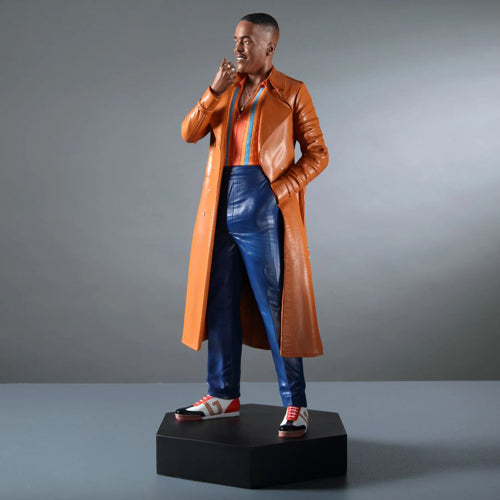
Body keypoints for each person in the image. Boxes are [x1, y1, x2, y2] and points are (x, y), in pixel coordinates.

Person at [175, 12, 329, 438]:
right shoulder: (225, 89)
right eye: (235, 39)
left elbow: (318, 153)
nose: (238, 47)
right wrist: (213, 91)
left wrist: (277, 191)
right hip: (219, 203)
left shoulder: (292, 91)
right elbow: (189, 132)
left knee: (276, 306)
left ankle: (295, 402)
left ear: (269, 47)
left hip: (261, 206)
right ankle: (222, 395)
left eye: (246, 40)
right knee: (219, 300)